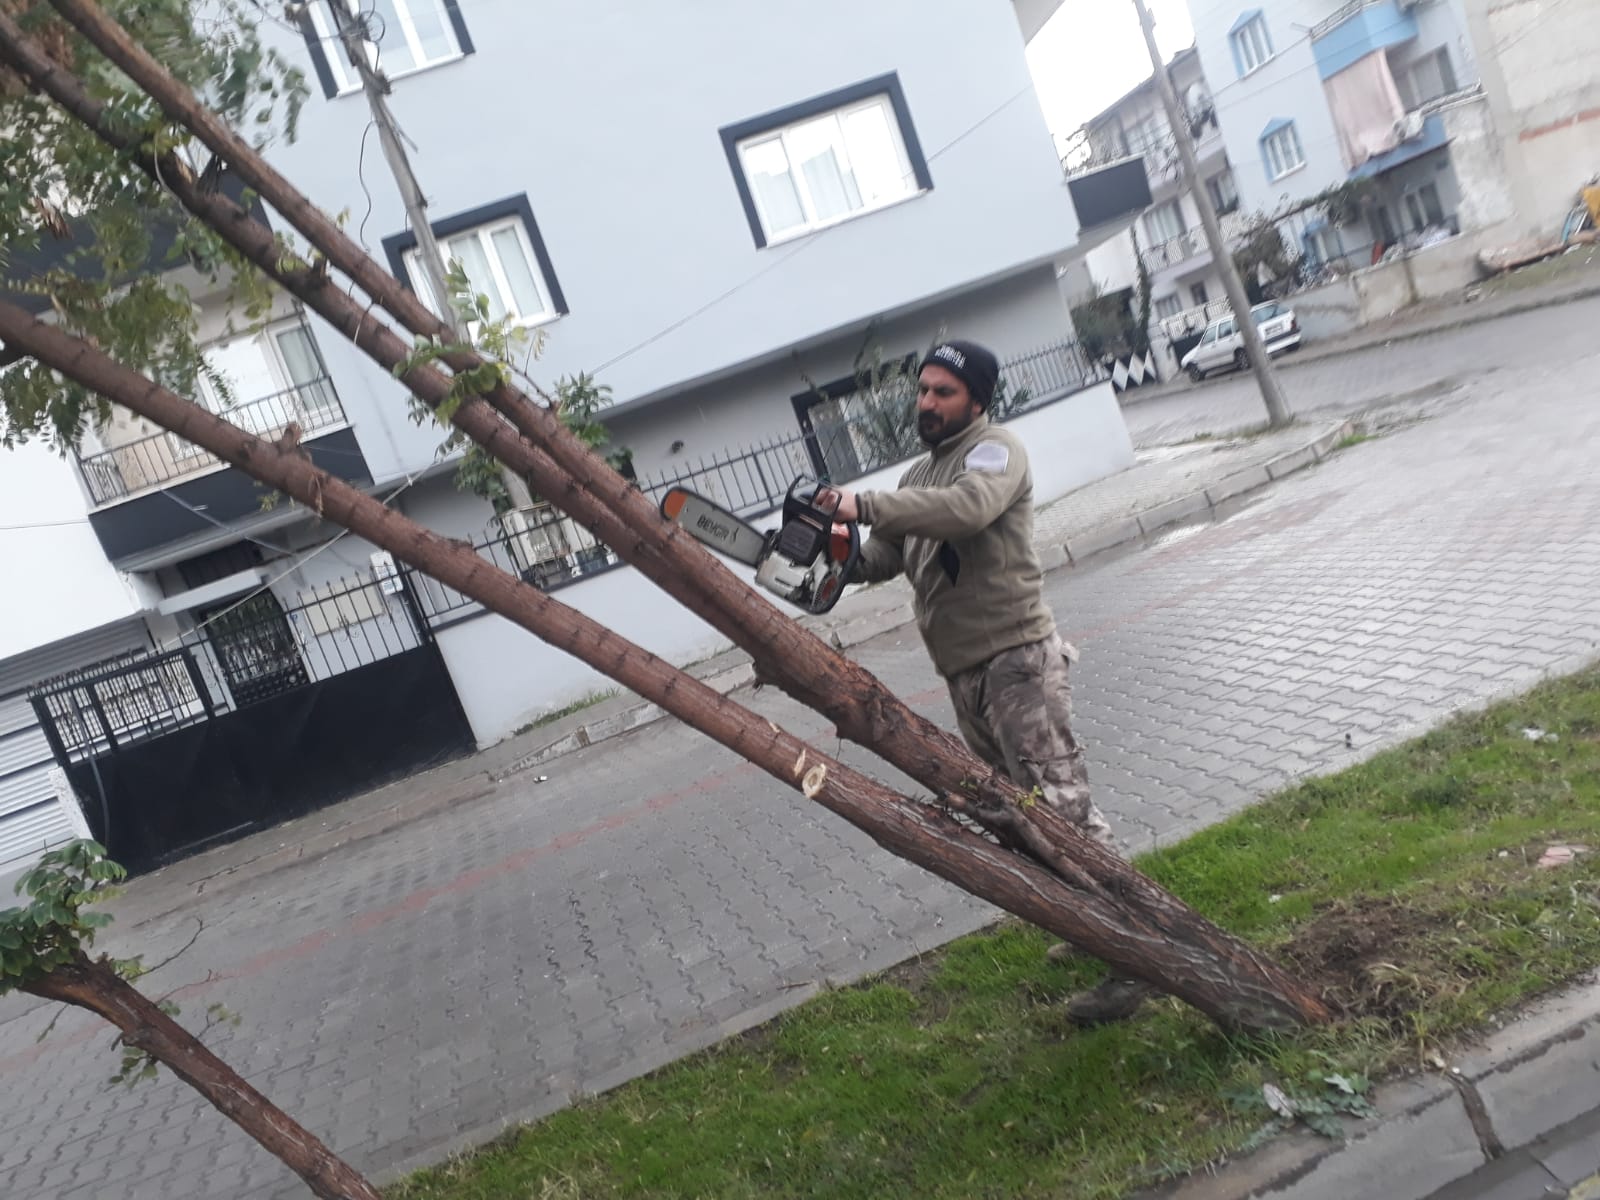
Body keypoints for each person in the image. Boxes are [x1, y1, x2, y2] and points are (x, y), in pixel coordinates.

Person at [831, 339, 1153, 1027]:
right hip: (964, 672)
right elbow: (882, 556)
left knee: (1063, 811)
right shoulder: (920, 471)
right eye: (922, 391)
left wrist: (863, 506)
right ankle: (1094, 924)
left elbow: (967, 512)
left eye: (943, 392)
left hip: (1016, 660)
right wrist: (821, 561)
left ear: (977, 399)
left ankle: (1140, 955)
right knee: (1025, 818)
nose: (927, 402)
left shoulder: (995, 451)